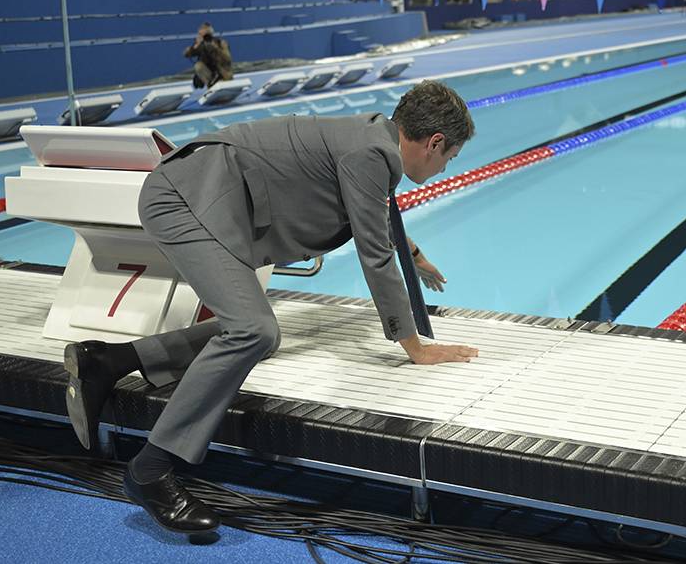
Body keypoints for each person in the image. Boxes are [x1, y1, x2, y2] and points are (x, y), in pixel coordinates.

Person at [62, 80, 479, 534]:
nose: (444, 168)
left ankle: (107, 361)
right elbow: (374, 251)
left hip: (198, 197)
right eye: (449, 159)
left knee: (262, 332)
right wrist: (413, 346)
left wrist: (415, 258)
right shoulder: (370, 153)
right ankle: (149, 470)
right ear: (434, 142)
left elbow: (373, 215)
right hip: (184, 201)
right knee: (253, 330)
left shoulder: (372, 140)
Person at [184, 22, 233, 89]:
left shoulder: (220, 42)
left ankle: (221, 80)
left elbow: (227, 59)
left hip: (222, 72)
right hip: (211, 74)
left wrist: (213, 47)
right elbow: (186, 54)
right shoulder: (201, 45)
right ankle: (210, 86)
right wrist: (195, 46)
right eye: (199, 34)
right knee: (198, 65)